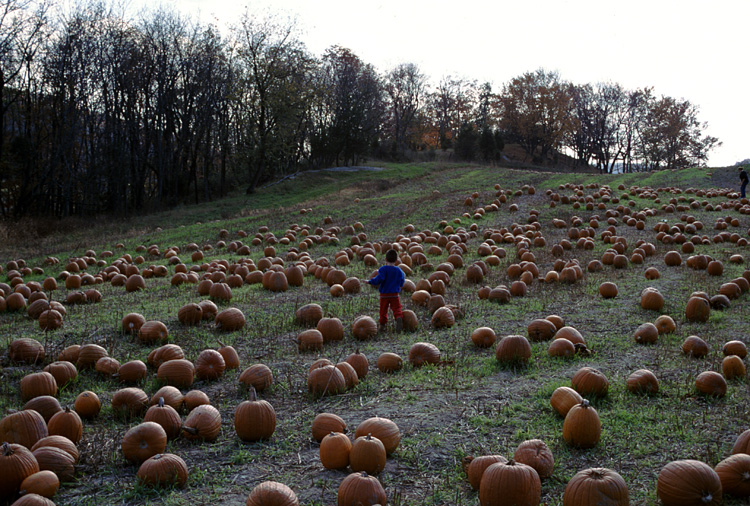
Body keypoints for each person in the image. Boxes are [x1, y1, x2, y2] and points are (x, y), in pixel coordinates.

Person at [368, 249, 405, 332]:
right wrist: (401, 285)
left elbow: (379, 278)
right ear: (396, 260)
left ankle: (382, 325)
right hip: (394, 294)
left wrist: (371, 282)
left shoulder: (383, 269)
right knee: (396, 308)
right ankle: (398, 317)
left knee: (383, 310)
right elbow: (402, 280)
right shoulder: (399, 270)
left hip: (384, 294)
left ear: (385, 259)